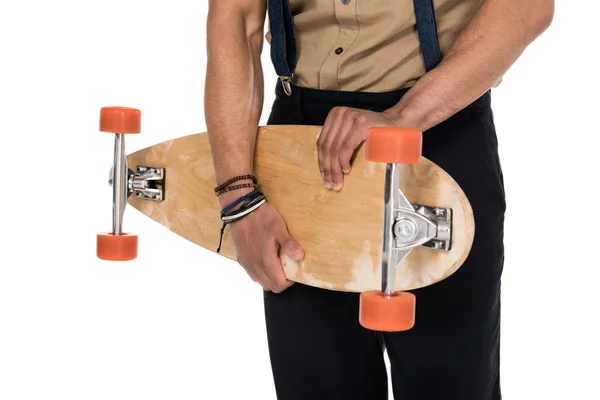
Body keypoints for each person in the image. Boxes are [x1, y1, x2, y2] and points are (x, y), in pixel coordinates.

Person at [204, 0, 554, 398]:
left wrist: (404, 117)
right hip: (300, 145)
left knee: (447, 384)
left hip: (435, 123)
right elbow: (237, 15)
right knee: (318, 385)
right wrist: (239, 198)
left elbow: (528, 7)